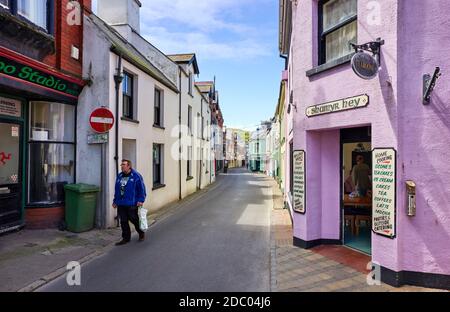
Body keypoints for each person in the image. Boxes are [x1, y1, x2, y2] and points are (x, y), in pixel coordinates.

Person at [113, 159, 147, 246]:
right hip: (121, 203)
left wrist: (141, 200)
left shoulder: (136, 176)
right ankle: (126, 238)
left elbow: (141, 189)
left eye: (124, 164)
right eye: (121, 165)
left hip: (132, 203)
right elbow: (117, 190)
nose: (122, 166)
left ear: (129, 166)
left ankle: (141, 232)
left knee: (134, 219)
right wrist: (115, 201)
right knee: (123, 221)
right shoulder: (120, 176)